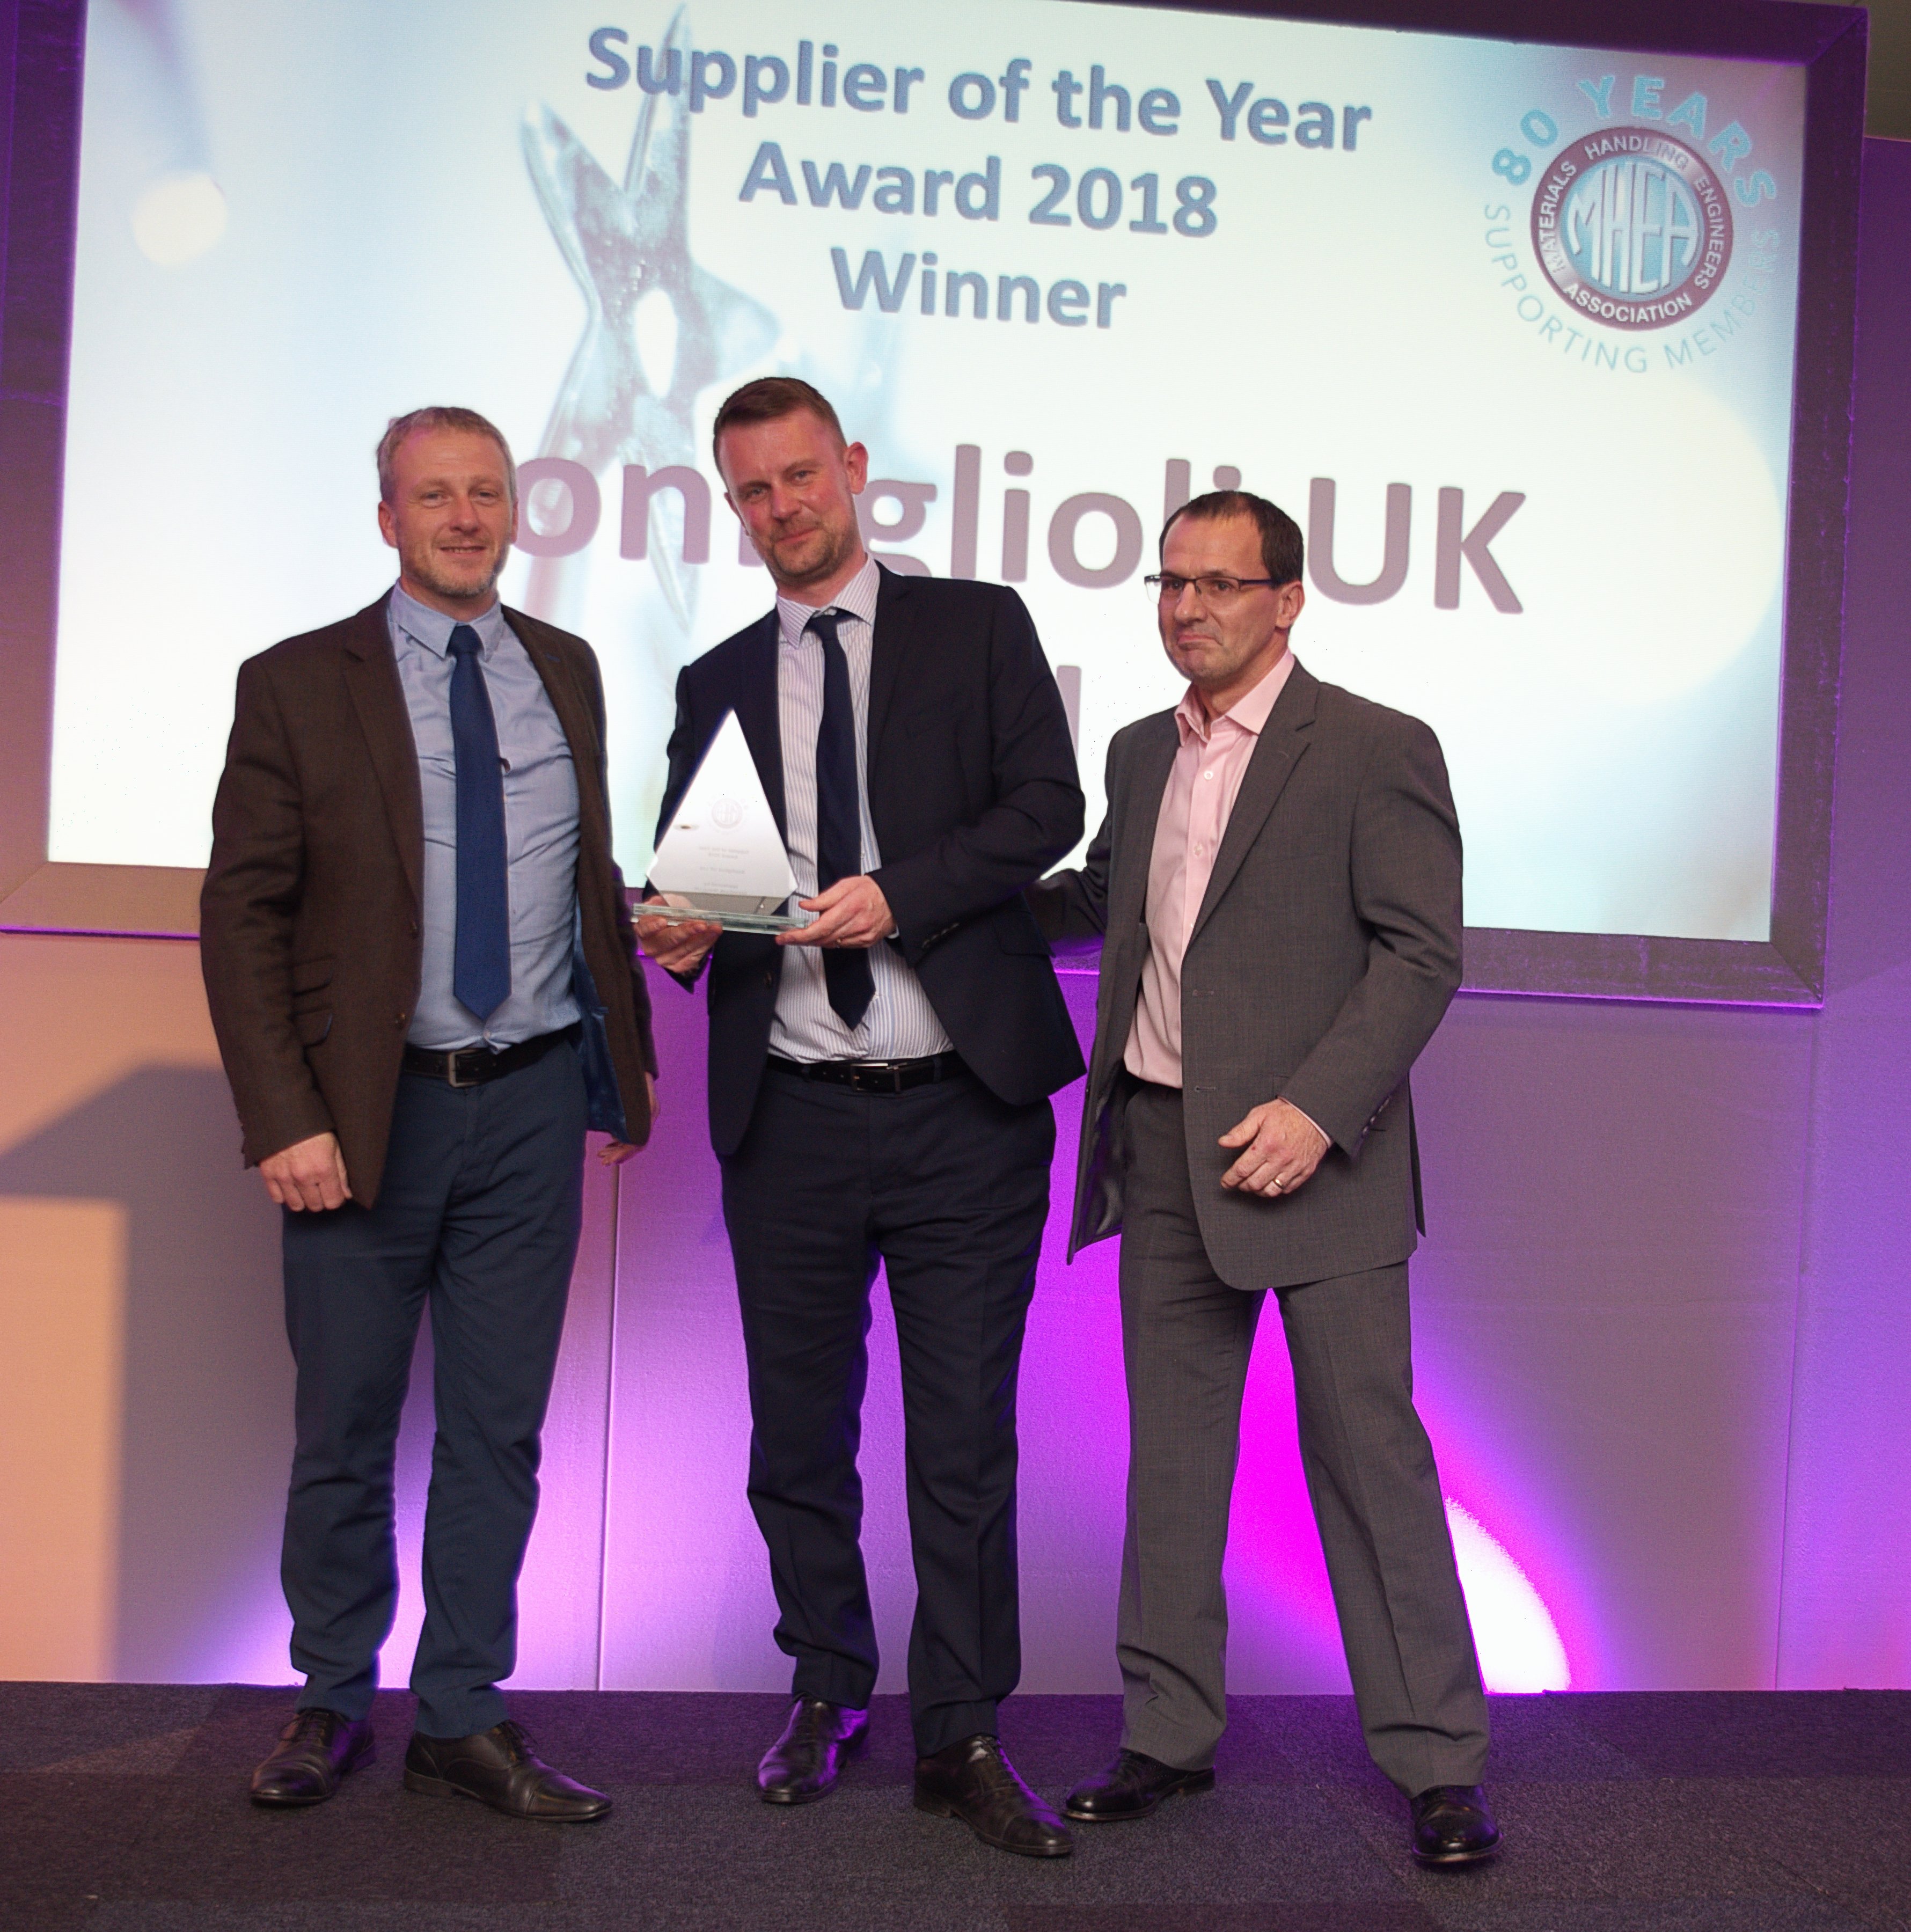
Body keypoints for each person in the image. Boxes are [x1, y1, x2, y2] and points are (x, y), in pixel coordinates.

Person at [639, 377, 1083, 1858]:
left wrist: (901, 894)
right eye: (752, 490)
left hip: (962, 1108)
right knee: (796, 1436)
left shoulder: (976, 625)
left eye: (800, 476)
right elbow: (702, 879)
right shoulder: (713, 678)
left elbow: (1048, 809)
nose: (782, 508)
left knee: (961, 1443)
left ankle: (960, 1731)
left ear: (853, 469)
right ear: (734, 505)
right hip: (791, 1119)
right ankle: (827, 1686)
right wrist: (684, 930)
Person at [1029, 489, 1499, 1866]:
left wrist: (1316, 1110)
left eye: (1219, 584)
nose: (1187, 608)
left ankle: (1437, 1764)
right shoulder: (1138, 751)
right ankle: (1165, 1736)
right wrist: (930, 896)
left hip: (1316, 1162)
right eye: (1170, 584)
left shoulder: (1371, 746)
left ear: (1285, 600)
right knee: (1173, 1468)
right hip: (1163, 1152)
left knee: (1367, 1462)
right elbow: (1101, 899)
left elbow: (1420, 952)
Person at [201, 405, 657, 1820]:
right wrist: (284, 1117)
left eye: (488, 494)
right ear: (388, 518)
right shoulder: (296, 682)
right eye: (436, 496)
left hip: (529, 1108)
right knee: (344, 1427)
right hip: (363, 1117)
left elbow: (579, 875)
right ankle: (331, 1696)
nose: (466, 518)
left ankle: (461, 1711)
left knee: (497, 1432)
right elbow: (242, 914)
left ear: (516, 511)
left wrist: (632, 1035)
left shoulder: (565, 668)